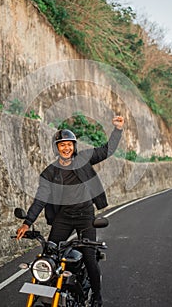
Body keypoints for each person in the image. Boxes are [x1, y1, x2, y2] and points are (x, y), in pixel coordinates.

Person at [17, 115, 124, 307]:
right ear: (56, 148)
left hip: (85, 216)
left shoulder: (84, 159)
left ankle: (97, 296)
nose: (66, 148)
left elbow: (107, 150)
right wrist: (27, 222)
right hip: (63, 217)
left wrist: (117, 130)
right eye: (62, 145)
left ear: (74, 146)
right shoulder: (50, 172)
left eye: (69, 144)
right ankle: (53, 289)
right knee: (50, 253)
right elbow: (40, 198)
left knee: (90, 257)